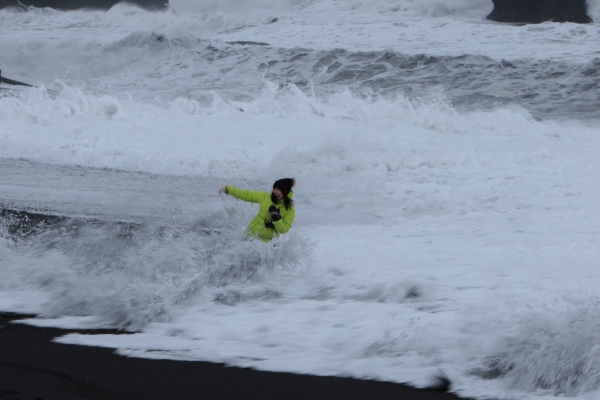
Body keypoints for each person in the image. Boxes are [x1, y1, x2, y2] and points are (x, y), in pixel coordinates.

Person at [219, 178, 296, 242]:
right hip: (250, 234)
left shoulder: (289, 209)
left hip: (265, 244)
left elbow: (284, 229)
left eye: (278, 190)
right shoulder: (266, 196)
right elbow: (247, 194)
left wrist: (276, 218)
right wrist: (228, 189)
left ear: (285, 191)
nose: (275, 192)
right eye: (274, 189)